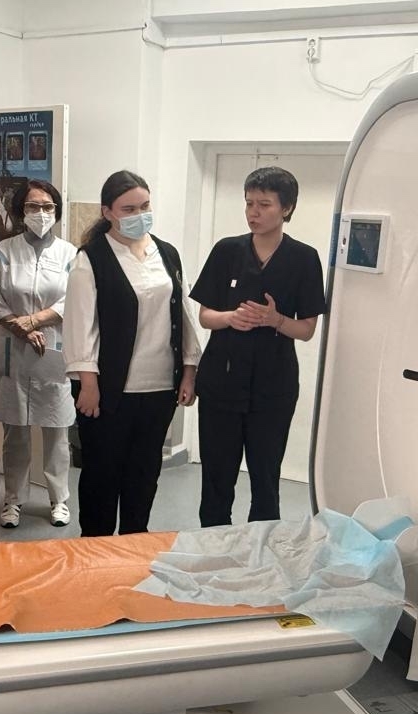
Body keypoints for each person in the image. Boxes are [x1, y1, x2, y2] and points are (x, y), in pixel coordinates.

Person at [64, 170, 199, 537]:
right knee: (102, 475)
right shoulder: (91, 258)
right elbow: (80, 325)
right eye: (129, 209)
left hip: (159, 388)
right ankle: (95, 547)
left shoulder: (166, 253)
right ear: (107, 212)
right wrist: (88, 384)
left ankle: (134, 542)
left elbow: (183, 315)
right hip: (109, 390)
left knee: (144, 475)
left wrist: (189, 370)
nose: (140, 215)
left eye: (145, 206)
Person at [191, 167, 325, 527]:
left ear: (287, 208)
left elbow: (307, 330)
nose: (254, 212)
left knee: (266, 479)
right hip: (221, 382)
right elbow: (205, 316)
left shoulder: (303, 259)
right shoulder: (227, 251)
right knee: (216, 478)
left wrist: (275, 320)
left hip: (272, 387)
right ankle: (214, 543)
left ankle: (263, 548)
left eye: (264, 204)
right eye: (249, 203)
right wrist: (231, 318)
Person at [0, 179, 76, 528]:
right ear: (21, 211)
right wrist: (22, 328)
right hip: (14, 349)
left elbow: (72, 299)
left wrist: (35, 320)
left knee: (57, 431)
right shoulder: (4, 251)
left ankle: (58, 499)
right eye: (33, 206)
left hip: (54, 348)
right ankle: (13, 500)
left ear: (57, 211)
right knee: (15, 432)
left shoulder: (70, 254)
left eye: (48, 206)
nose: (41, 213)